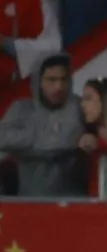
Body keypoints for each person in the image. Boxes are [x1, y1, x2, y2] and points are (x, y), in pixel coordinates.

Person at [0, 51, 84, 197]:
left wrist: (19, 147)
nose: (58, 86)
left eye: (63, 79)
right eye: (52, 80)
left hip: (70, 201)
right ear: (39, 81)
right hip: (28, 199)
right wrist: (38, 134)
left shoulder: (76, 106)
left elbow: (63, 141)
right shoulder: (21, 108)